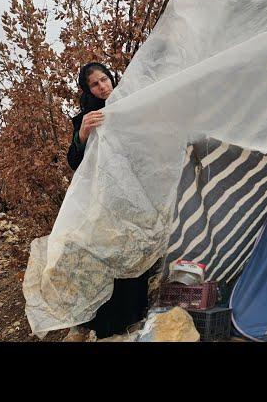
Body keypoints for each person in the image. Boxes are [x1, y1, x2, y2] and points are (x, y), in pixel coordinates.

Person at [64, 62, 152, 341]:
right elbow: (74, 162)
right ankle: (103, 325)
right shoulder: (84, 119)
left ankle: (134, 319)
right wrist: (82, 135)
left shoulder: (129, 106)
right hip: (101, 202)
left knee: (133, 253)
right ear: (87, 89)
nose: (102, 87)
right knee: (104, 258)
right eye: (95, 84)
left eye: (105, 80)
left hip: (132, 197)